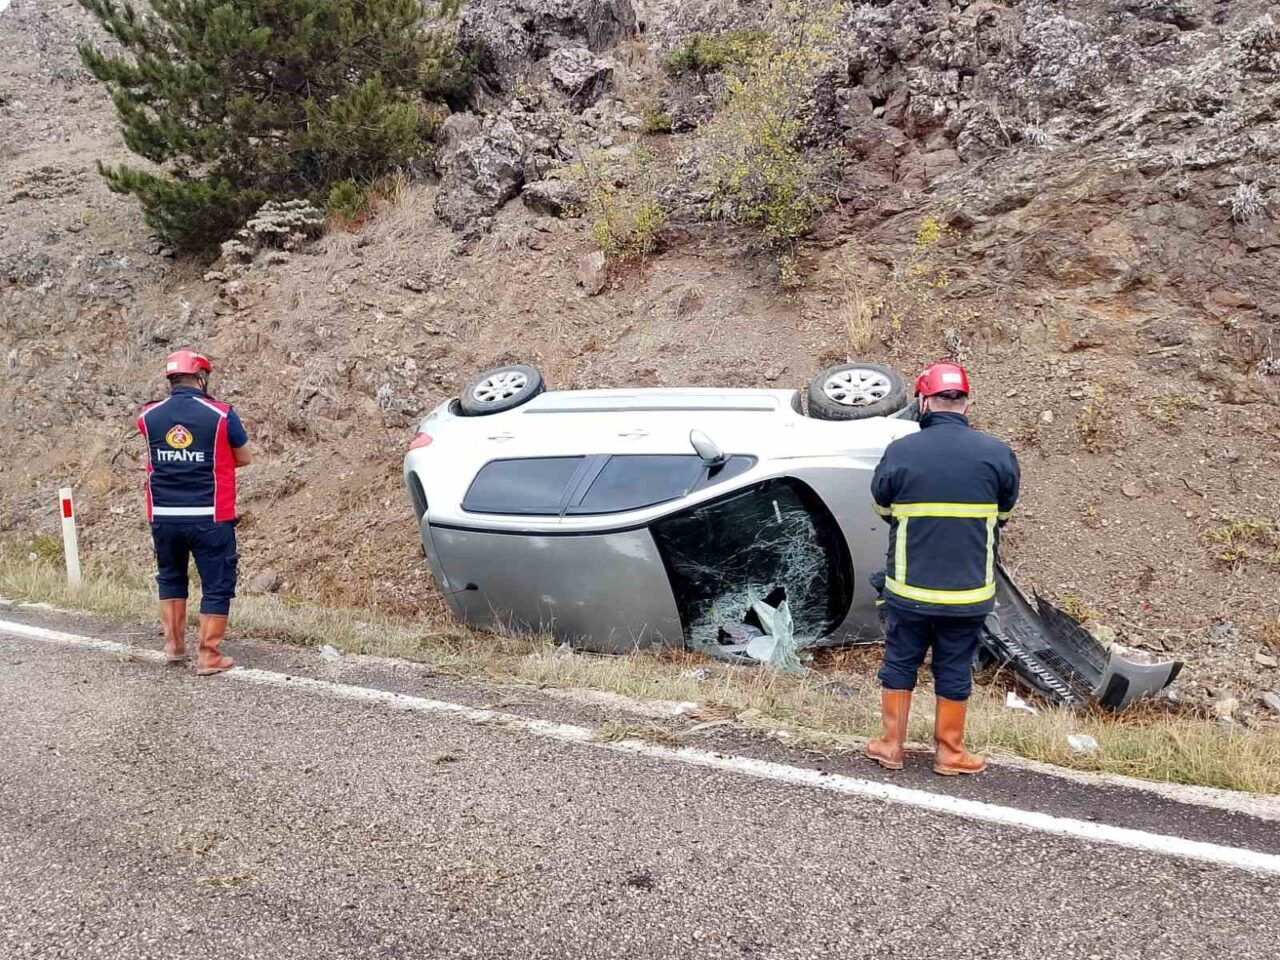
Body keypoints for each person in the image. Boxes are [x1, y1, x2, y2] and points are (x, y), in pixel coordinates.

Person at [866, 361, 1019, 775]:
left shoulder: (901, 451)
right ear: (964, 403)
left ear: (923, 401)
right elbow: (1002, 514)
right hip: (968, 593)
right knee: (953, 666)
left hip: (910, 590)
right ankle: (950, 754)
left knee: (900, 661)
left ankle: (890, 748)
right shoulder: (998, 454)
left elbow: (883, 507)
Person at [136, 350, 251, 675]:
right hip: (209, 515)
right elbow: (244, 456)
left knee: (171, 577)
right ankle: (209, 655)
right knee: (216, 583)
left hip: (163, 516)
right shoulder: (221, 415)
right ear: (201, 377)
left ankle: (174, 647)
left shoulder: (149, 416)